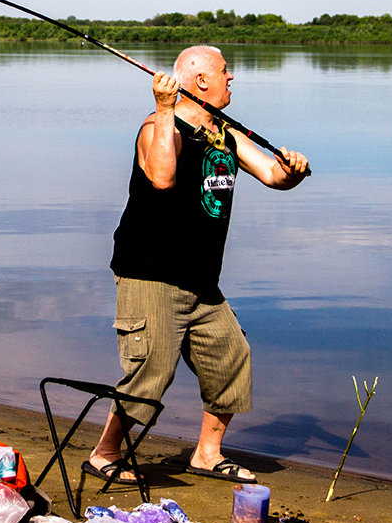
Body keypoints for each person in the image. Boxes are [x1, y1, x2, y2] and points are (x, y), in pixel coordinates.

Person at [84, 45, 309, 486]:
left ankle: (206, 454)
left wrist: (293, 171)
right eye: (225, 71)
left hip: (202, 278)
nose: (232, 78)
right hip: (150, 270)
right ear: (201, 80)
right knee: (152, 369)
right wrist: (164, 107)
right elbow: (163, 176)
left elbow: (272, 175)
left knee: (231, 359)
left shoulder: (225, 131)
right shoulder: (155, 126)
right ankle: (104, 452)